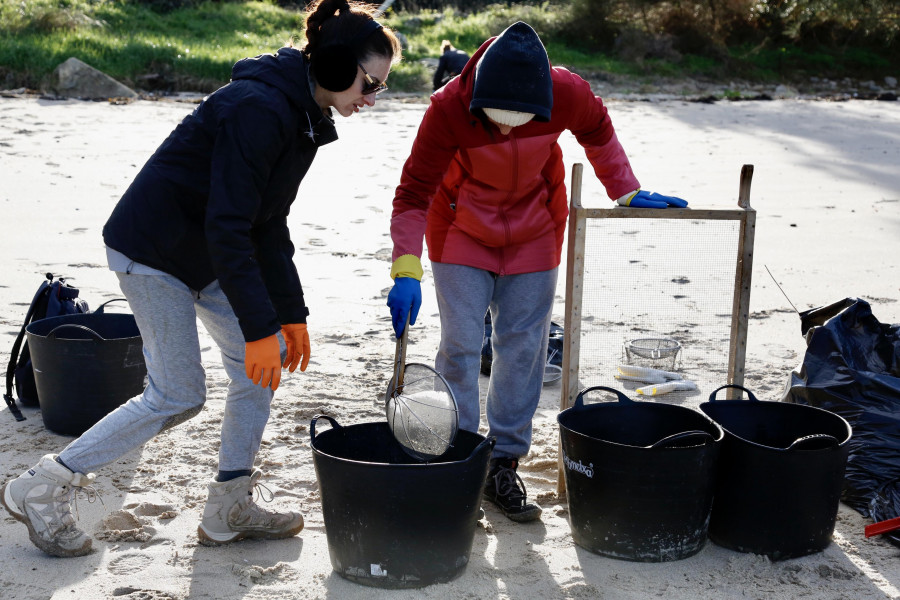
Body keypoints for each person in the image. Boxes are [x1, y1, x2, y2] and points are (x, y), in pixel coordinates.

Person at [1, 0, 401, 558]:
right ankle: (41, 485)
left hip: (209, 254)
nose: (373, 98)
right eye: (370, 83)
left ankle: (227, 507)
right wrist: (262, 326)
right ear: (335, 65)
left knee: (259, 373)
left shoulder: (305, 118)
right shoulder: (259, 108)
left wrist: (290, 314)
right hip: (154, 251)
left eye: (381, 87)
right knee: (178, 393)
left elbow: (268, 224)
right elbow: (230, 228)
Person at [386, 22, 685, 523]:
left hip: (536, 226)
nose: (505, 129)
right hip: (460, 228)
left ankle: (502, 462)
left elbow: (597, 129)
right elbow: (414, 194)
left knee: (523, 347)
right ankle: (463, 458)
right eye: (495, 120)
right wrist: (406, 269)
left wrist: (625, 188)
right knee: (460, 344)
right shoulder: (447, 108)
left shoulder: (567, 91)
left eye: (518, 121)